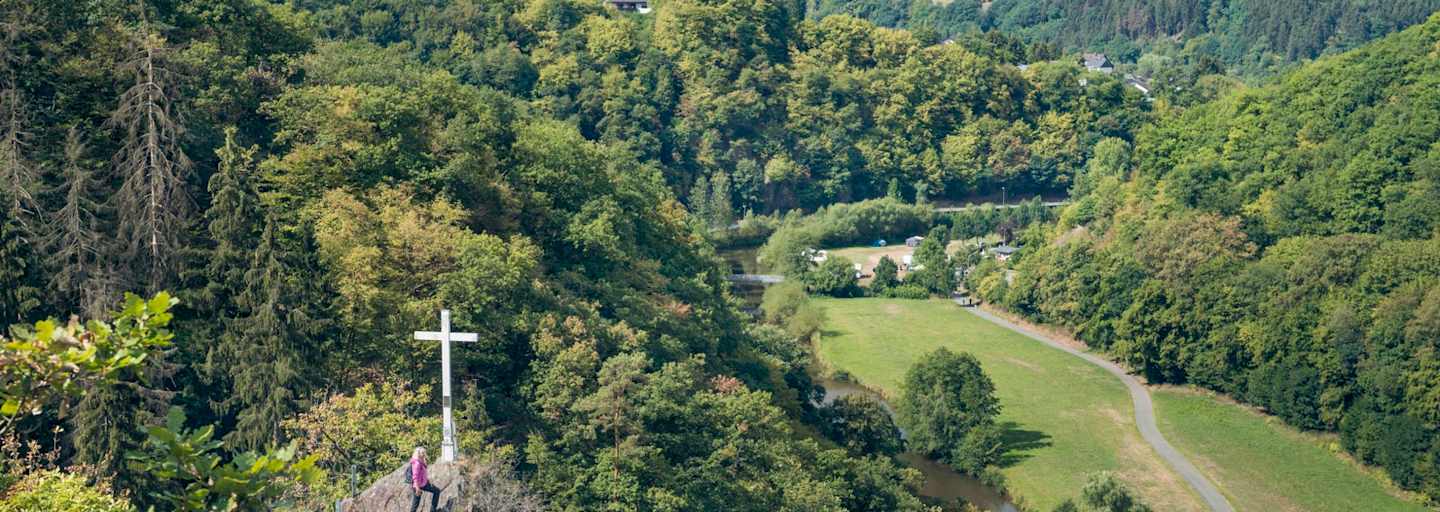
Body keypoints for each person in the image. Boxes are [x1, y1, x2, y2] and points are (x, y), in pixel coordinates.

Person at [409, 447, 441, 512]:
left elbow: (423, 473)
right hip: (417, 485)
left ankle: (433, 510)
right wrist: (417, 488)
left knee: (437, 491)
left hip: (423, 483)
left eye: (424, 452)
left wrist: (427, 481)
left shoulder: (420, 461)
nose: (424, 454)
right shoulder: (417, 463)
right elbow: (415, 476)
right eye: (422, 453)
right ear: (418, 453)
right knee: (416, 503)